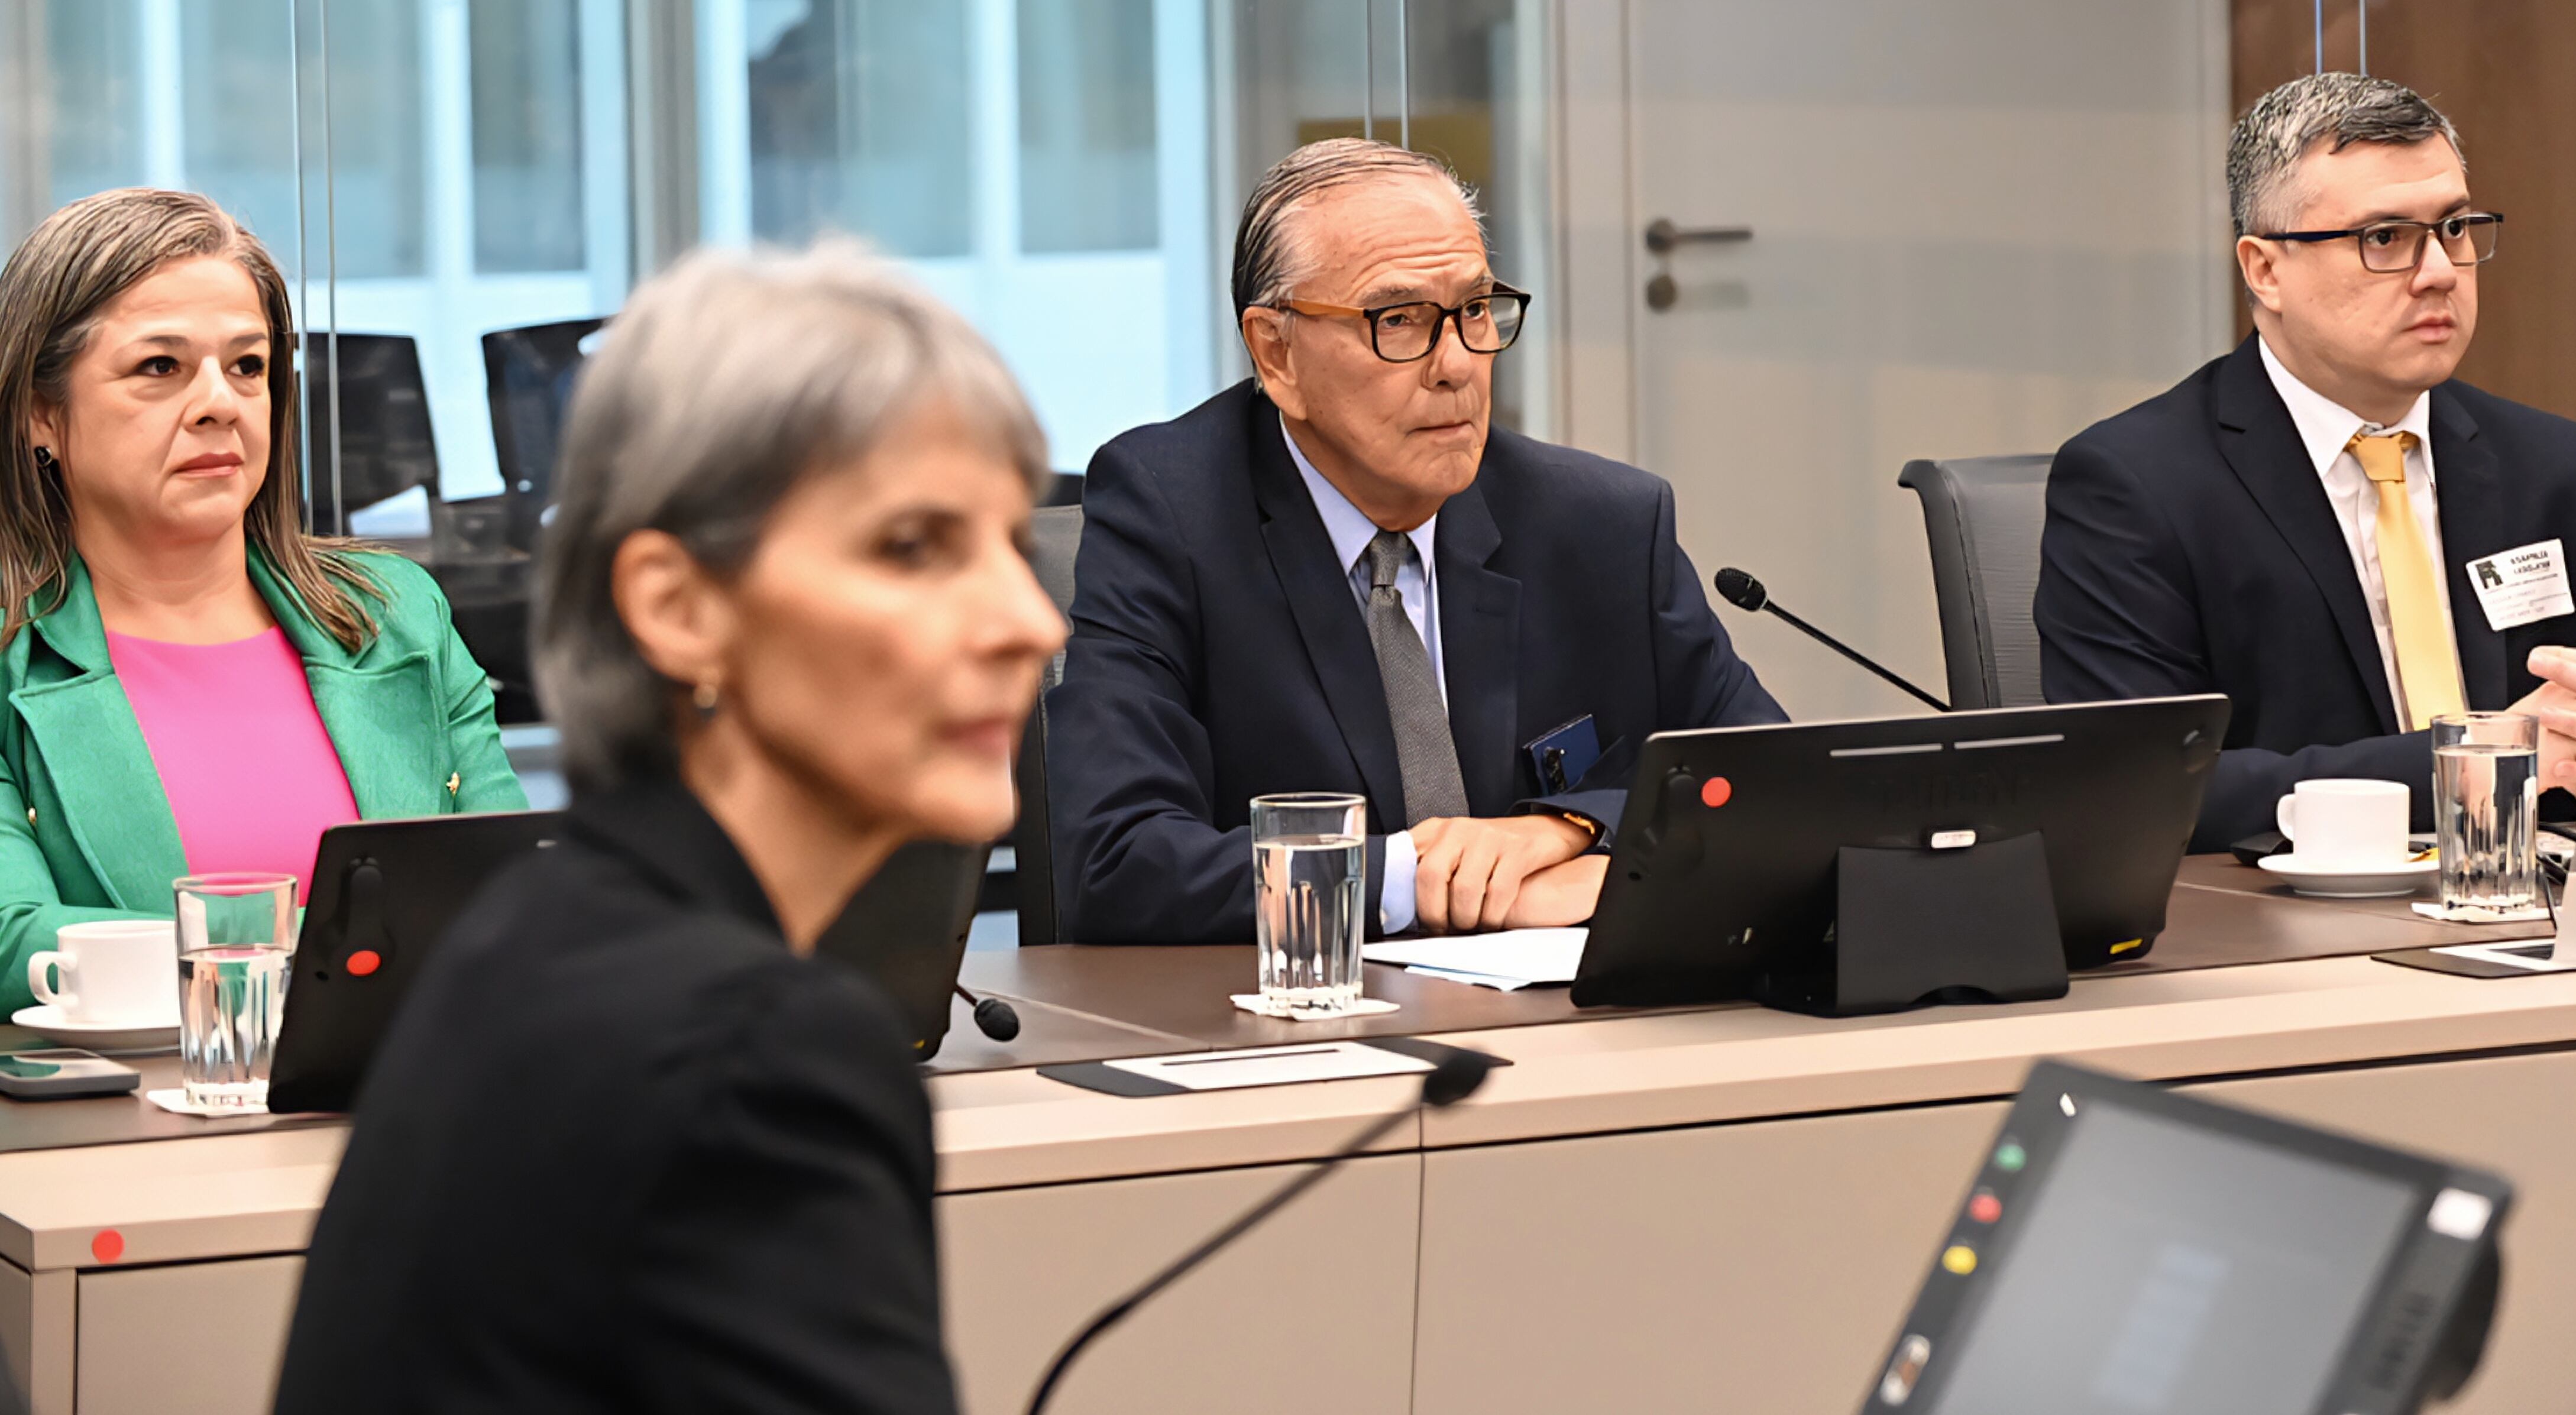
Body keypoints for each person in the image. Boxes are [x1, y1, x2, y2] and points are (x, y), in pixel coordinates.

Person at [273, 244, 1064, 1413]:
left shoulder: (537, 936)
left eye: (1014, 545)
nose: (1031, 622)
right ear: (677, 607)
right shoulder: (760, 1049)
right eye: (912, 547)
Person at [1048, 139, 1782, 944]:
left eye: (1474, 311)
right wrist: (1417, 879)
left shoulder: (1602, 524)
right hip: (1300, 1013)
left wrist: (1571, 829)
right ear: (1276, 352)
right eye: (1398, 321)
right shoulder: (1172, 514)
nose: (1457, 365)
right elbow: (1115, 862)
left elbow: (1777, 786)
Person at [2036, 75, 2576, 850]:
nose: (2439, 271)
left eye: (2455, 228)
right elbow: (2138, 784)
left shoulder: (2564, 469)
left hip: (2539, 897)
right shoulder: (2139, 486)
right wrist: (2476, 761)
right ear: (2265, 270)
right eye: (2384, 238)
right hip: (2281, 909)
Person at [0, 189, 522, 992]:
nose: (220, 403)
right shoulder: (13, 653)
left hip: (406, 1072)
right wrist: (354, 945)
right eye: (160, 367)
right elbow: (17, 940)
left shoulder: (394, 614)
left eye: (247, 366)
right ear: (42, 413)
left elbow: (511, 894)